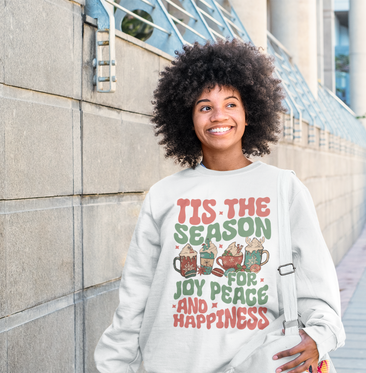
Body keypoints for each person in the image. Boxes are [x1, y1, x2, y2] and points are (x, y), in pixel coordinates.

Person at [95, 39, 345, 373]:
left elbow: (317, 283)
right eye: (205, 106)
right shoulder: (164, 195)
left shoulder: (283, 188)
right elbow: (135, 296)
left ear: (249, 113)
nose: (219, 116)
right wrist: (114, 365)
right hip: (172, 363)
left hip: (258, 362)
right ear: (188, 116)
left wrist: (320, 336)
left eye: (231, 104)